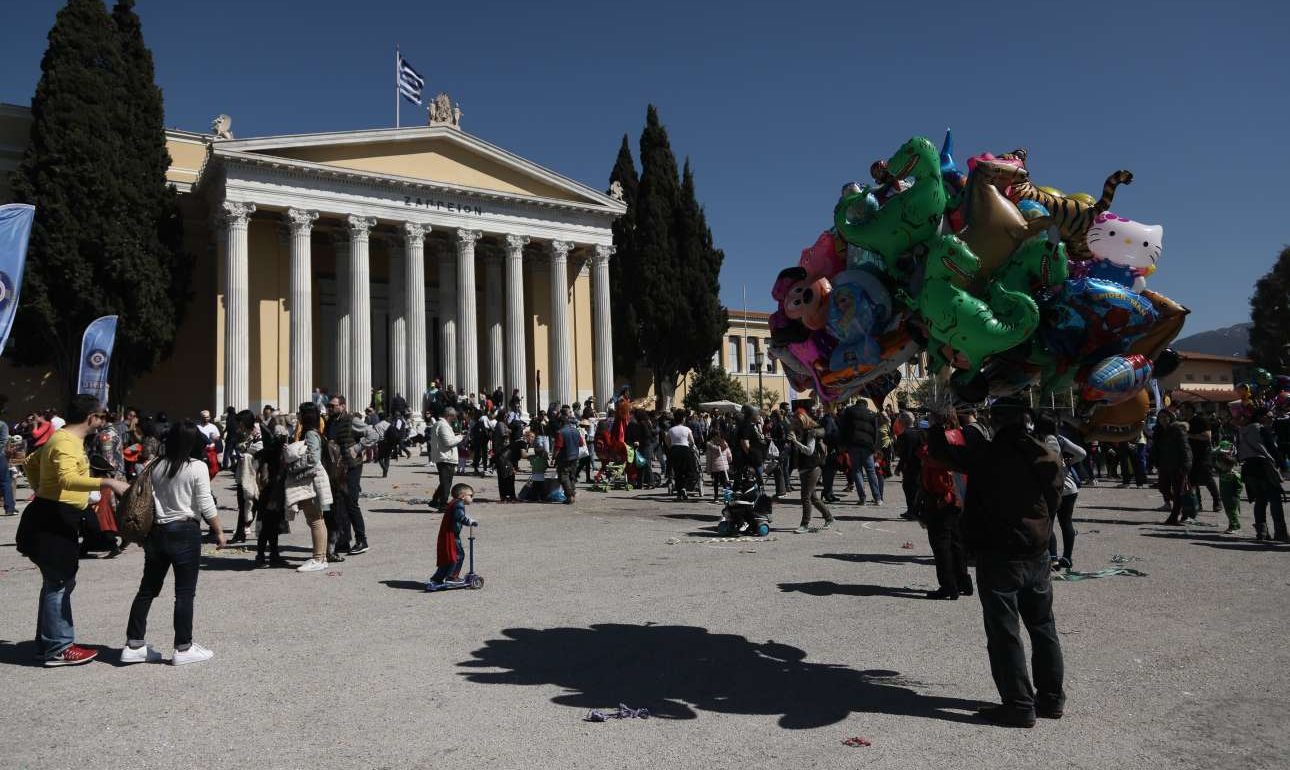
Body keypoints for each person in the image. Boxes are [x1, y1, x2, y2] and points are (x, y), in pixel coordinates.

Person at [928, 397, 1064, 728]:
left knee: (1004, 631)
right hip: (1037, 549)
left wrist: (936, 426)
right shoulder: (1044, 451)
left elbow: (942, 455)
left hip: (999, 553)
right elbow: (1055, 495)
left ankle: (1019, 704)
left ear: (996, 421)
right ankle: (1051, 699)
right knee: (1043, 626)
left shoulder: (988, 453)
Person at [17, 394, 130, 666]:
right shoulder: (66, 442)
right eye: (101, 416)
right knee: (58, 583)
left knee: (56, 583)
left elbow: (32, 462)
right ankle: (59, 647)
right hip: (53, 520)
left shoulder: (63, 438)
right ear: (90, 417)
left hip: (54, 514)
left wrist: (41, 489)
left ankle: (48, 642)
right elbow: (67, 478)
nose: (103, 421)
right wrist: (107, 482)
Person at [120, 421, 226, 666]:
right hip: (185, 531)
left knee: (147, 590)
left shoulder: (154, 465)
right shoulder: (196, 467)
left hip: (157, 531)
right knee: (184, 593)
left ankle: (134, 643)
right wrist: (218, 530)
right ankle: (183, 647)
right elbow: (206, 503)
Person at [917, 415, 970, 599]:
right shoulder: (960, 437)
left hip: (942, 497)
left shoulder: (938, 444)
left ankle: (949, 585)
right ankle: (963, 581)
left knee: (941, 544)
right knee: (955, 540)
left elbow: (927, 456)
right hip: (957, 496)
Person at [1035, 414, 1087, 571]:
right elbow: (1082, 453)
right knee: (1066, 522)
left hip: (1052, 488)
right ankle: (1067, 557)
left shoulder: (1039, 440)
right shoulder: (1060, 439)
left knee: (1048, 523)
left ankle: (1053, 559)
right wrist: (1070, 462)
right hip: (1069, 486)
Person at [324, 395, 372, 558]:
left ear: (343, 406)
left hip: (352, 466)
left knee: (351, 503)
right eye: (328, 406)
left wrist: (358, 448)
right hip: (336, 468)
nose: (330, 408)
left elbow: (373, 434)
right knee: (338, 504)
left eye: (333, 405)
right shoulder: (330, 422)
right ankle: (343, 540)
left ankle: (362, 540)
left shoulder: (352, 420)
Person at [294, 403, 333, 572]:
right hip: (315, 480)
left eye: (300, 413)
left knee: (315, 519)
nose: (298, 416)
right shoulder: (316, 432)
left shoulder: (310, 433)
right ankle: (321, 557)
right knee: (318, 519)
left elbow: (313, 458)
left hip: (312, 481)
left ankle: (318, 558)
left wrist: (293, 462)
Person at [1237, 407, 1286, 542]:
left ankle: (1262, 533)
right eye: (1269, 416)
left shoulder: (1243, 431)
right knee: (1275, 500)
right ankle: (1280, 533)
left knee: (1260, 501)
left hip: (1248, 469)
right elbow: (1272, 449)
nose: (1272, 419)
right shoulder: (1261, 429)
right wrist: (1283, 465)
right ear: (1260, 417)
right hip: (1264, 468)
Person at [789, 411, 834, 533]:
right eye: (794, 422)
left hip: (812, 467)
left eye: (797, 422)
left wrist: (796, 442)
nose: (795, 424)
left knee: (805, 497)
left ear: (803, 421)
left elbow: (809, 451)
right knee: (813, 498)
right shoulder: (801, 432)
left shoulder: (810, 432)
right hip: (805, 468)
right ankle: (829, 518)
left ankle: (805, 524)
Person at [428, 483, 478, 589]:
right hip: (452, 536)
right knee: (458, 556)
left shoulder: (453, 503)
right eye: (471, 495)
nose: (472, 498)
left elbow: (457, 515)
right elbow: (459, 516)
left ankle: (437, 579)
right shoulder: (459, 504)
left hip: (447, 534)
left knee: (448, 558)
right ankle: (452, 577)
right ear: (463, 496)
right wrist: (470, 522)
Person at [839, 398, 883, 505]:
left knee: (857, 471)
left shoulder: (849, 412)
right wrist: (875, 447)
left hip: (853, 445)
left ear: (856, 404)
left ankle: (862, 498)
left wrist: (843, 445)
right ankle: (877, 498)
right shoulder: (872, 414)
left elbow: (843, 429)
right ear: (866, 405)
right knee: (871, 471)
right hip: (868, 446)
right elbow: (877, 432)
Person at [1156, 411, 1193, 525]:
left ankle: (1174, 516)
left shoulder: (1177, 430)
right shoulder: (1159, 431)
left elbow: (1185, 447)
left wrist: (1186, 464)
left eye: (1165, 417)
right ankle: (1182, 507)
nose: (1162, 419)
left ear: (1170, 418)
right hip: (1164, 464)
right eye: (1160, 417)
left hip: (1178, 465)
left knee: (1178, 491)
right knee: (1163, 488)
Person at [430, 406, 464, 507]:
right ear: (448, 415)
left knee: (445, 482)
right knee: (446, 483)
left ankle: (435, 500)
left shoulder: (442, 425)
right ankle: (443, 504)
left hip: (445, 457)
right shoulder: (443, 425)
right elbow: (448, 442)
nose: (454, 419)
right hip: (445, 458)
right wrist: (459, 437)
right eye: (453, 417)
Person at [893, 412, 924, 520]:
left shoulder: (903, 435)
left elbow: (903, 454)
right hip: (921, 464)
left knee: (908, 488)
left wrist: (899, 468)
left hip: (910, 465)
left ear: (902, 422)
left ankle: (912, 511)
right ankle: (916, 510)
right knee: (918, 488)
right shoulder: (920, 432)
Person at [664, 410, 698, 500]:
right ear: (683, 419)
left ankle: (679, 491)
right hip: (685, 450)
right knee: (688, 471)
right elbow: (692, 441)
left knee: (677, 472)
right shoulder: (687, 429)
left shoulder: (671, 430)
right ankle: (684, 488)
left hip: (675, 450)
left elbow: (667, 441)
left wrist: (672, 446)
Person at [553, 415, 586, 504]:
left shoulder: (560, 432)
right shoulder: (576, 430)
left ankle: (570, 496)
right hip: (575, 457)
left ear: (561, 423)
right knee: (572, 476)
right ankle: (572, 494)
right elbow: (581, 443)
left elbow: (558, 447)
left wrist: (553, 458)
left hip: (564, 457)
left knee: (564, 476)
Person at [706, 434, 733, 502]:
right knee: (725, 482)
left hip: (715, 467)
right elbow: (729, 456)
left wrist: (709, 469)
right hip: (724, 467)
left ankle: (716, 497)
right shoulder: (725, 445)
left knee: (716, 482)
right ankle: (727, 498)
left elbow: (709, 459)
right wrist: (729, 462)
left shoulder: (710, 447)